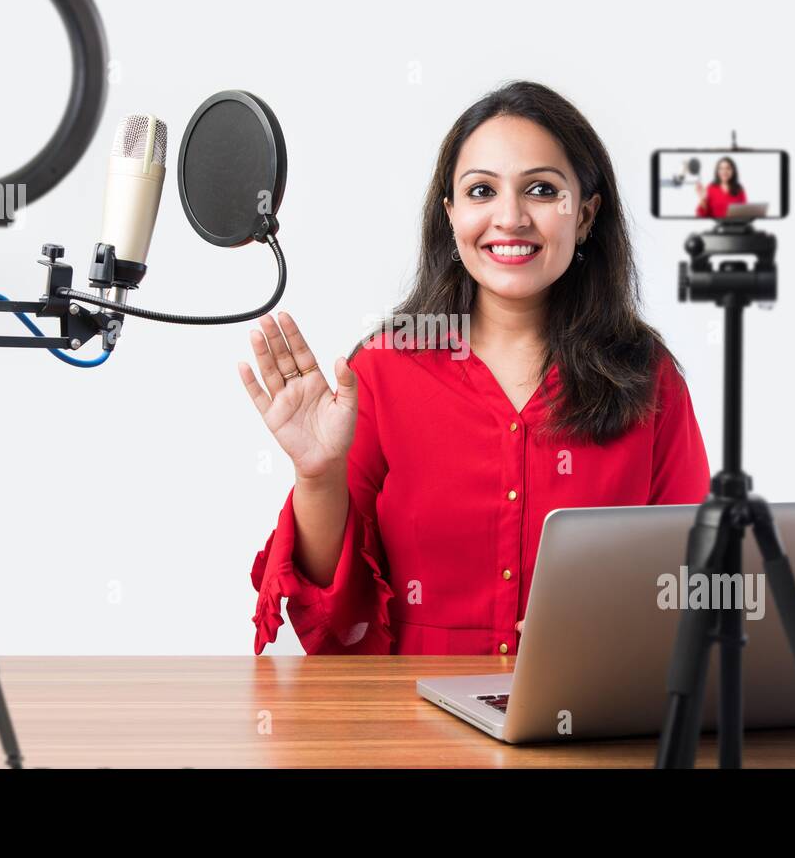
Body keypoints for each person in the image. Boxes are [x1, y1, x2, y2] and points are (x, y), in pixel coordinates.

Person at [239, 80, 710, 656]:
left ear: (585, 215)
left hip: (589, 729)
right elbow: (339, 615)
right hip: (411, 729)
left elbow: (693, 587)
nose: (509, 218)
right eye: (481, 191)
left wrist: (604, 630)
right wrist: (317, 476)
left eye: (541, 189)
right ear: (451, 214)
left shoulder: (648, 380)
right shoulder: (386, 368)